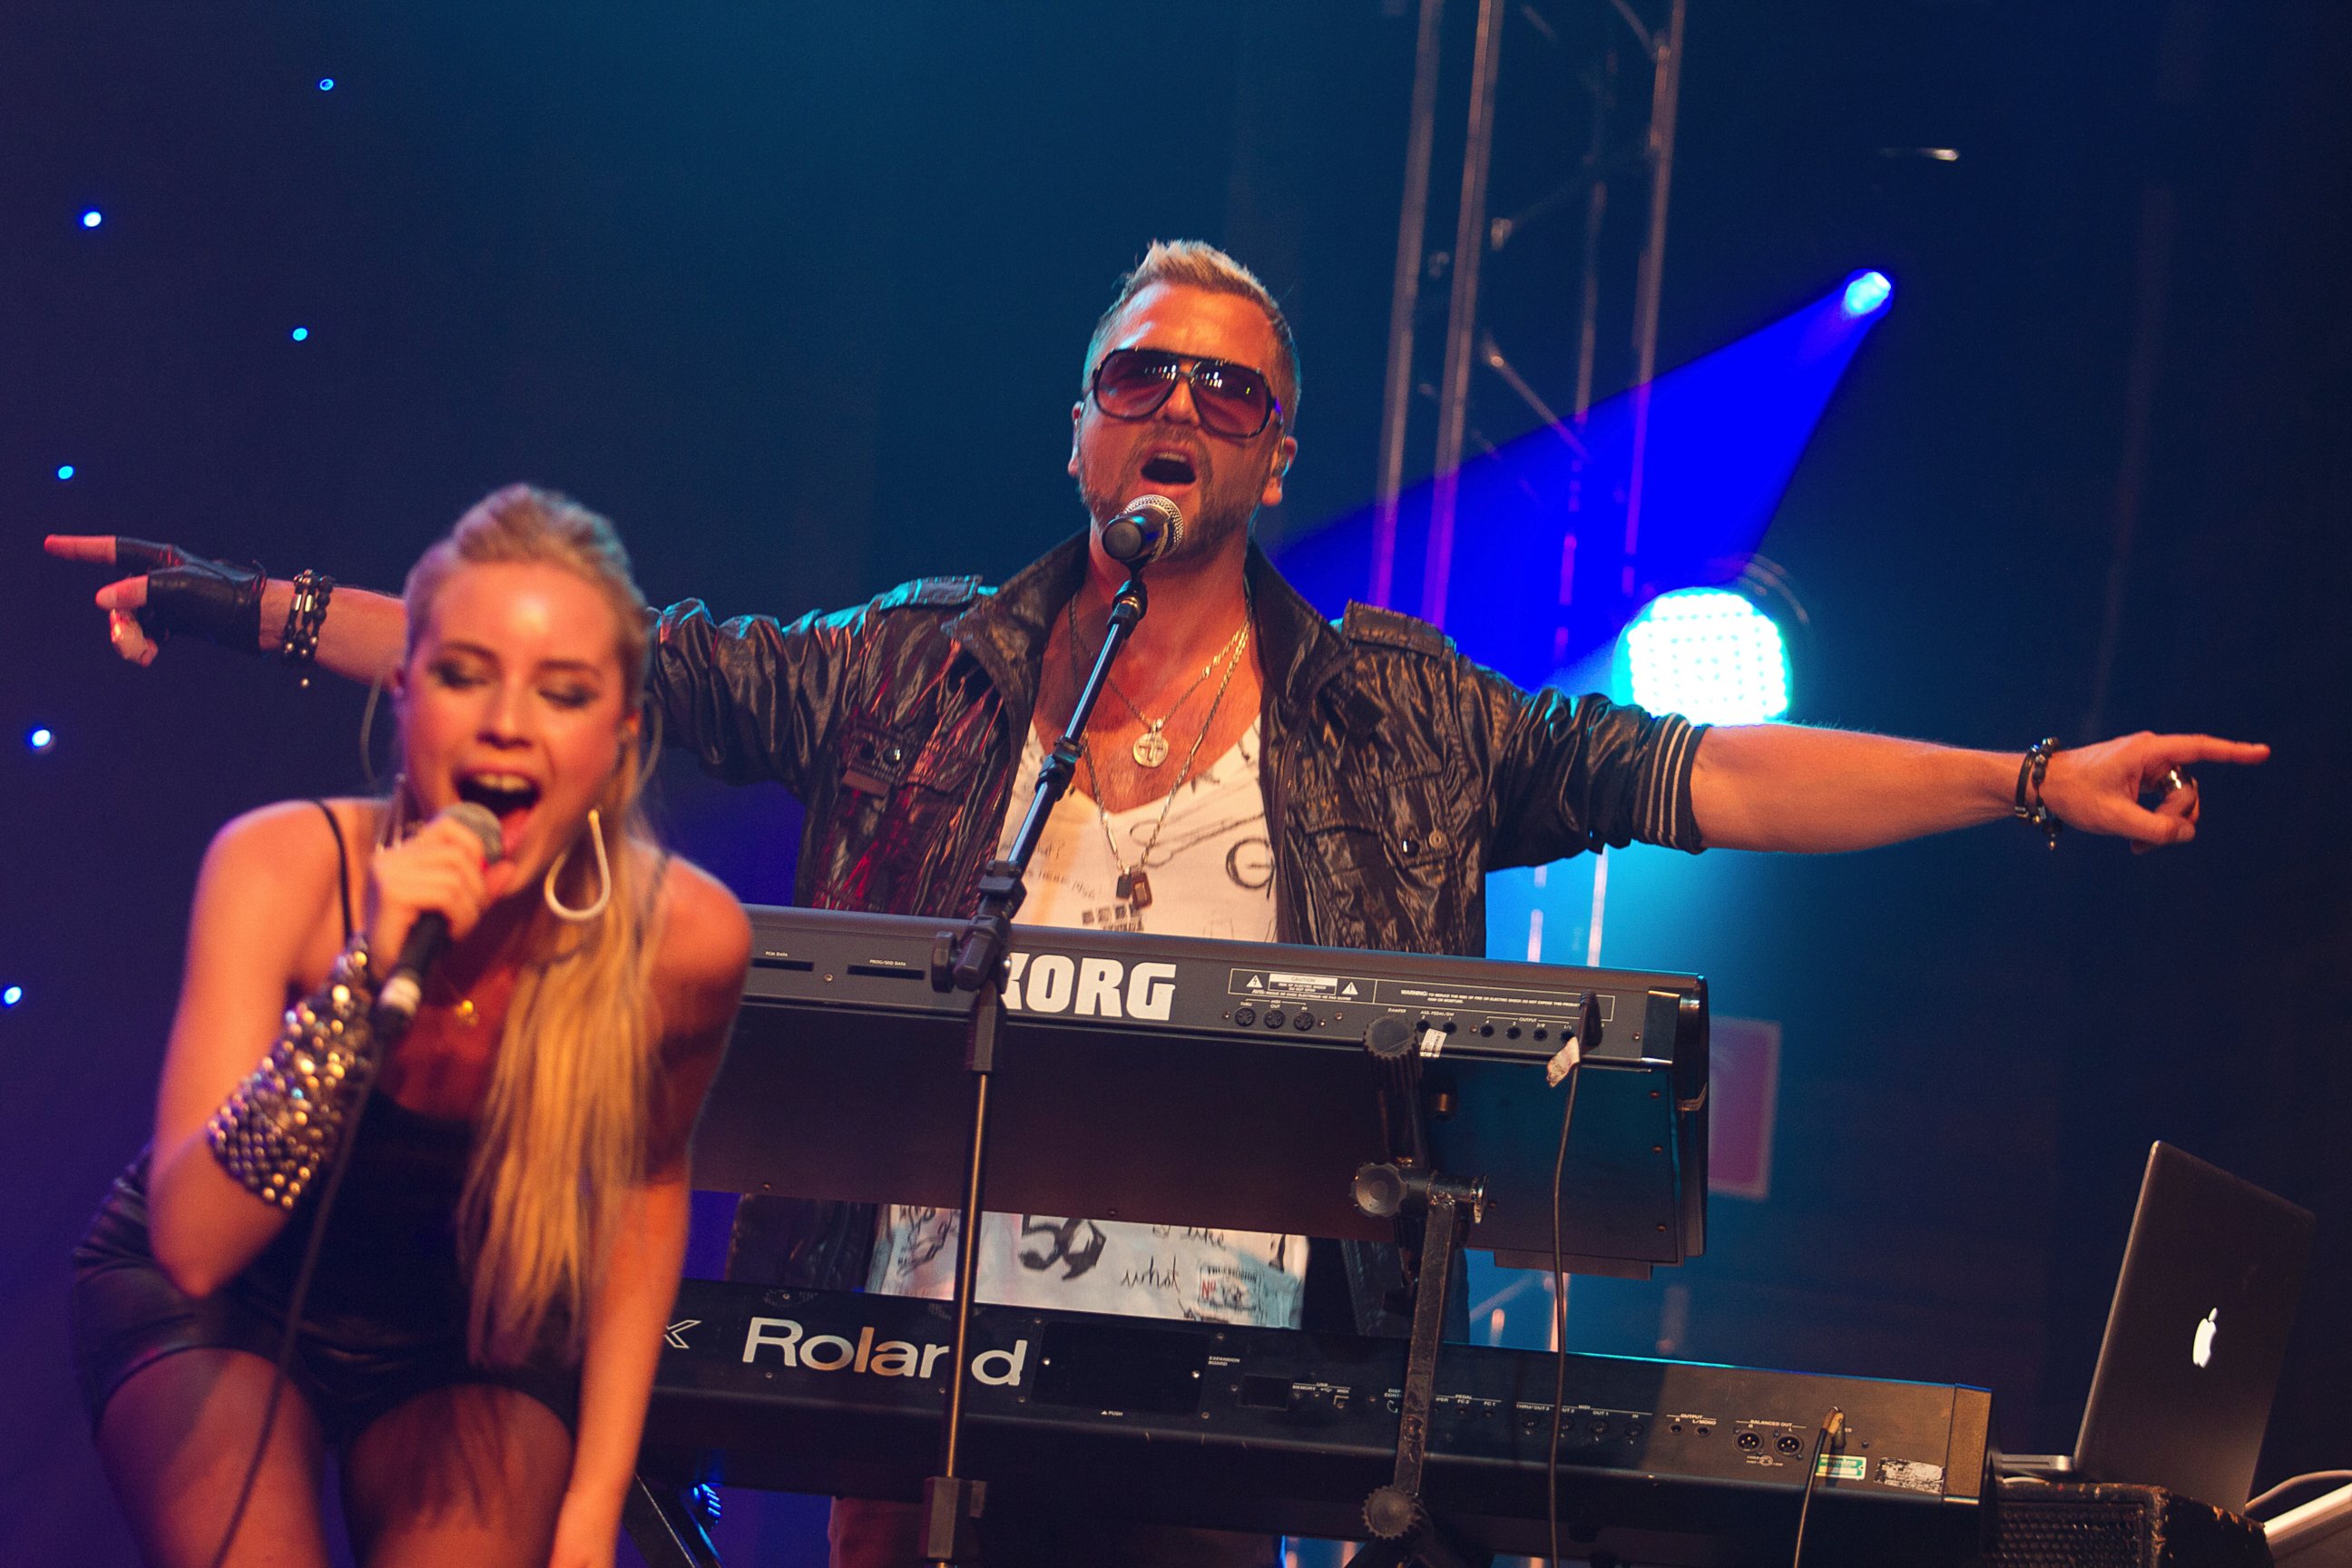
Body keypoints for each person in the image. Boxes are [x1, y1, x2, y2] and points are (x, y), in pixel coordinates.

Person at [49, 240, 2267, 1565]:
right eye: (1143, 374)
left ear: (1278, 453)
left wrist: (2023, 779)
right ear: (1086, 428)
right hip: (898, 1354)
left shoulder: (1400, 706)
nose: (1180, 405)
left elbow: (1700, 773)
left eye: (1229, 387)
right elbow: (608, 666)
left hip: (1235, 1369)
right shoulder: (917, 662)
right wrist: (251, 604)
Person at [66, 486, 753, 1568]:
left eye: (563, 692)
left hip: (466, 1332)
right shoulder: (282, 868)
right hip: (227, 1308)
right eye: (463, 674)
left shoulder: (683, 939)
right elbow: (194, 1247)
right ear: (404, 693)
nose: (507, 722)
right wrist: (364, 976)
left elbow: (646, 1186)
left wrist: (589, 1507)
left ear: (620, 734)